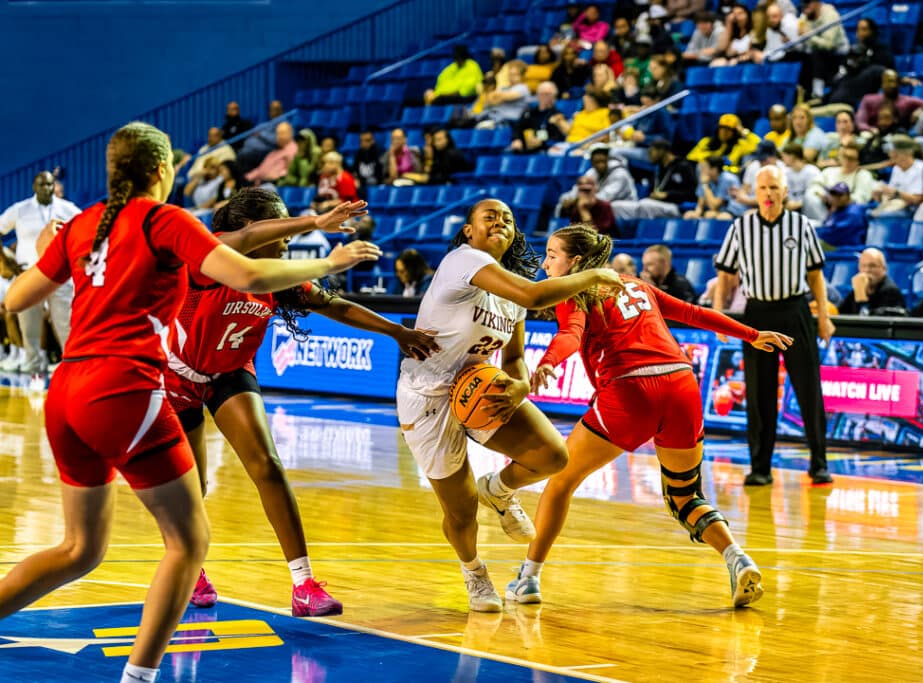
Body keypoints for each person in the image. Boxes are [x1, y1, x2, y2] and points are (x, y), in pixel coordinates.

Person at [0, 121, 364, 683]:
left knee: (80, 549)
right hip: (122, 386)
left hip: (66, 391)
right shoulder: (164, 220)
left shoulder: (83, 224)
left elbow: (18, 298)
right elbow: (247, 272)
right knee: (189, 541)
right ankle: (140, 677)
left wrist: (55, 254)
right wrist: (329, 262)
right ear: (161, 169)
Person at [163, 190, 436, 614]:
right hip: (175, 375)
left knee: (268, 465)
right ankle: (191, 567)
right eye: (281, 225)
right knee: (191, 485)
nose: (288, 237)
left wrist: (397, 332)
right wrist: (315, 221)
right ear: (254, 228)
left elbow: (336, 306)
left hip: (230, 371)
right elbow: (246, 237)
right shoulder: (209, 257)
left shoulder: (279, 277)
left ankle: (303, 584)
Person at [507, 225, 792, 607]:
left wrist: (548, 362)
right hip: (681, 386)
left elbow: (571, 334)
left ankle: (527, 579)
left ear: (574, 262)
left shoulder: (575, 292)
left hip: (631, 391)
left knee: (561, 480)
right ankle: (737, 558)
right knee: (684, 496)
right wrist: (752, 334)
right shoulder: (636, 284)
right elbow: (693, 313)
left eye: (552, 255)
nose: (545, 264)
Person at [394, 199, 623, 612]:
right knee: (461, 510)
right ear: (469, 230)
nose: (500, 221)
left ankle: (498, 491)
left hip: (479, 387)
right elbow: (535, 295)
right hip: (428, 395)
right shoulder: (463, 260)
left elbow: (514, 356)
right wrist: (595, 273)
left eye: (508, 219)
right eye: (490, 216)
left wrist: (519, 386)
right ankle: (474, 571)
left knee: (553, 456)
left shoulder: (510, 289)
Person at [713, 165, 834, 486]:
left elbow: (816, 276)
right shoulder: (741, 227)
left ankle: (819, 463)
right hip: (757, 314)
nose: (768, 193)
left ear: (785, 192)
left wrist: (824, 317)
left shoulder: (801, 225)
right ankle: (760, 468)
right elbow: (725, 276)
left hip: (795, 311)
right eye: (763, 188)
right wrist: (718, 316)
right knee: (758, 394)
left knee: (809, 389)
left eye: (774, 188)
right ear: (755, 192)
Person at [0, 171, 81, 374]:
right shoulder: (20, 209)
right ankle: (33, 366)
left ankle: (72, 365)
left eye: (49, 184)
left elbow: (87, 231)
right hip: (29, 274)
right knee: (29, 326)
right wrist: (7, 262)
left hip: (60, 276)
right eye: (42, 184)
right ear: (34, 187)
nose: (46, 188)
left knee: (66, 323)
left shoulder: (68, 209)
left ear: (54, 186)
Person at [613, 139, 698, 220]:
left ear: (662, 151)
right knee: (616, 206)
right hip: (656, 204)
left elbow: (692, 193)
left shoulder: (683, 166)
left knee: (645, 204)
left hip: (677, 206)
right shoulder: (658, 169)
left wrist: (667, 195)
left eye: (651, 152)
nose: (649, 156)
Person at [837, 248, 907, 316]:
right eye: (863, 266)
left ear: (884, 268)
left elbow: (873, 321)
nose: (867, 270)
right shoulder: (858, 289)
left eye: (872, 266)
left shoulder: (890, 291)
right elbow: (839, 314)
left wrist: (861, 297)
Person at [688, 113, 762, 174]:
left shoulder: (740, 145)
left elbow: (759, 144)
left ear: (735, 132)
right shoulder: (706, 141)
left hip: (726, 175)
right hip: (705, 172)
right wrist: (711, 158)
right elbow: (691, 157)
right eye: (722, 128)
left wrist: (743, 131)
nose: (724, 132)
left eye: (729, 129)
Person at [871, 135, 923, 217]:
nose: (893, 160)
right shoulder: (896, 169)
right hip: (895, 204)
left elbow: (916, 199)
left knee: (883, 215)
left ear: (907, 153)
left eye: (896, 156)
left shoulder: (921, 168)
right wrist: (880, 194)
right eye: (892, 157)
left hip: (911, 209)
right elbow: (890, 193)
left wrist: (895, 193)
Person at [816, 182, 868, 249]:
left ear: (847, 197)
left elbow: (833, 235)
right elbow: (826, 226)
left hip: (847, 250)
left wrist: (813, 232)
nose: (833, 197)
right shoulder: (839, 208)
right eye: (832, 193)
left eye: (838, 195)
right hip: (836, 246)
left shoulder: (852, 214)